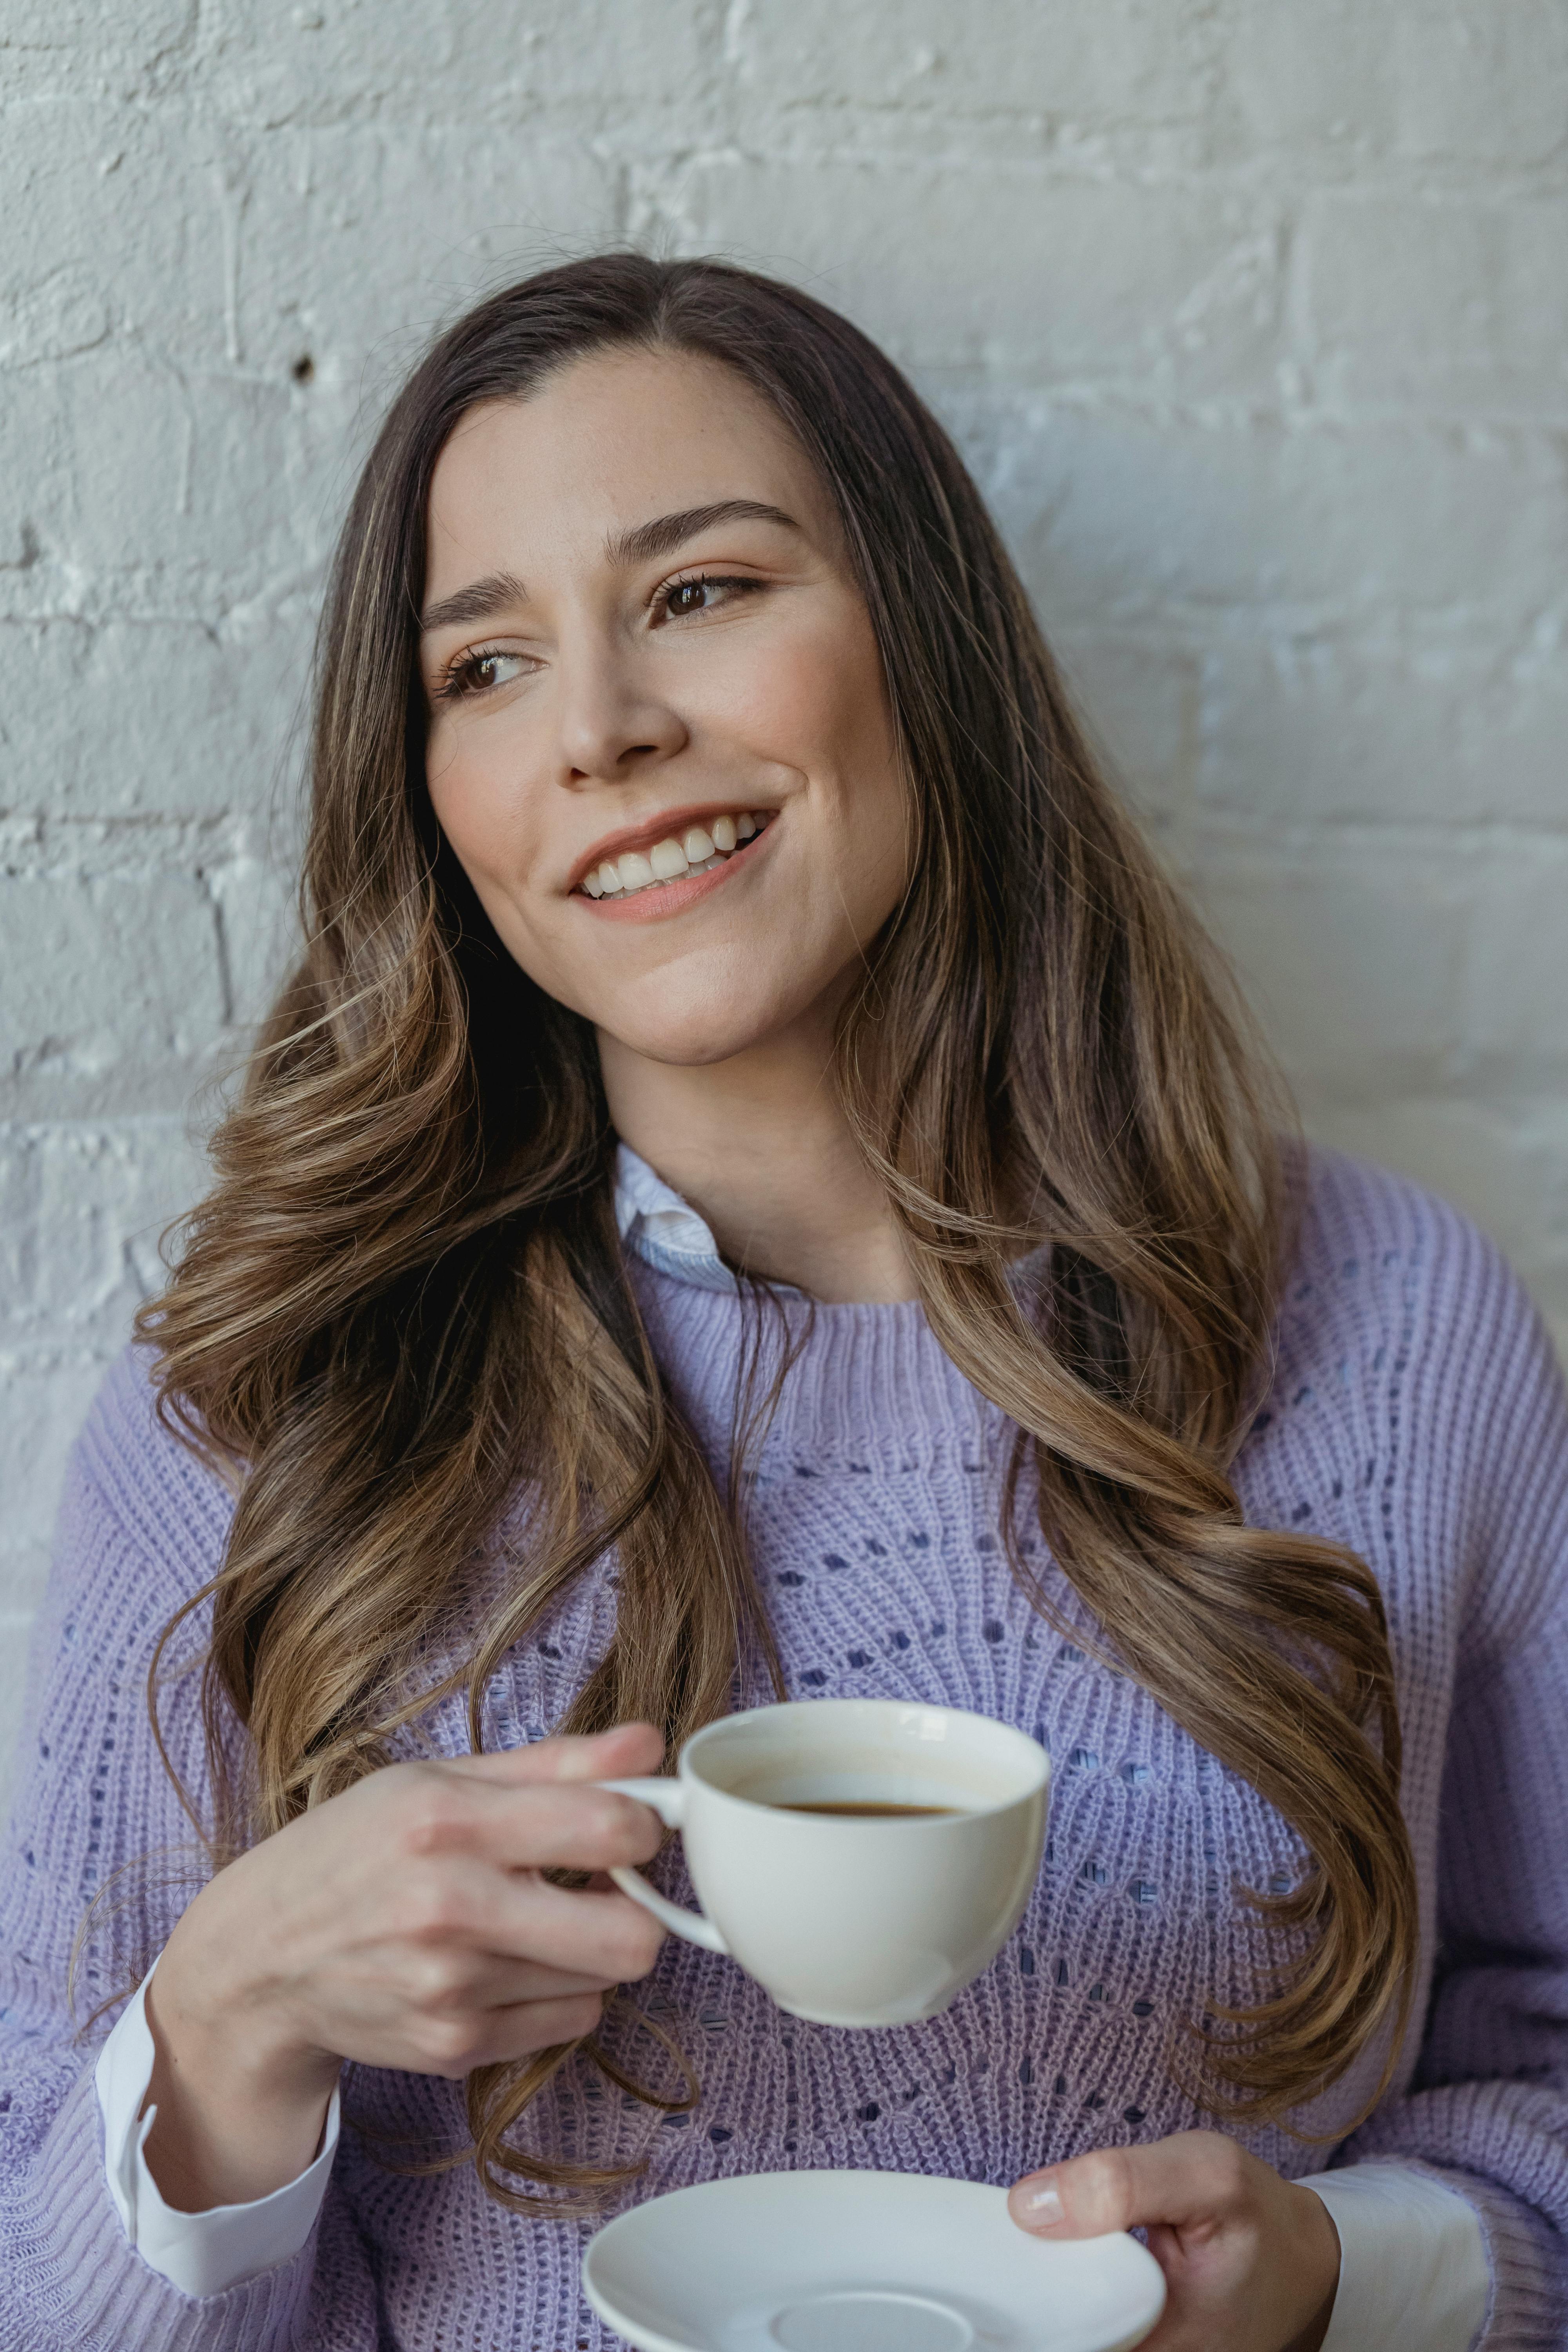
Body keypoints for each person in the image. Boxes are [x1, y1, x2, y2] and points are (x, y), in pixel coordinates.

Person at [2, 253, 1564, 2352]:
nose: (604, 731)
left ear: (924, 641)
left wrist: (1350, 2280)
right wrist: (232, 2023)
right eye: (484, 666)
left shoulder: (1400, 1325)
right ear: (436, 797)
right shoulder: (259, 1418)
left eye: (702, 592)